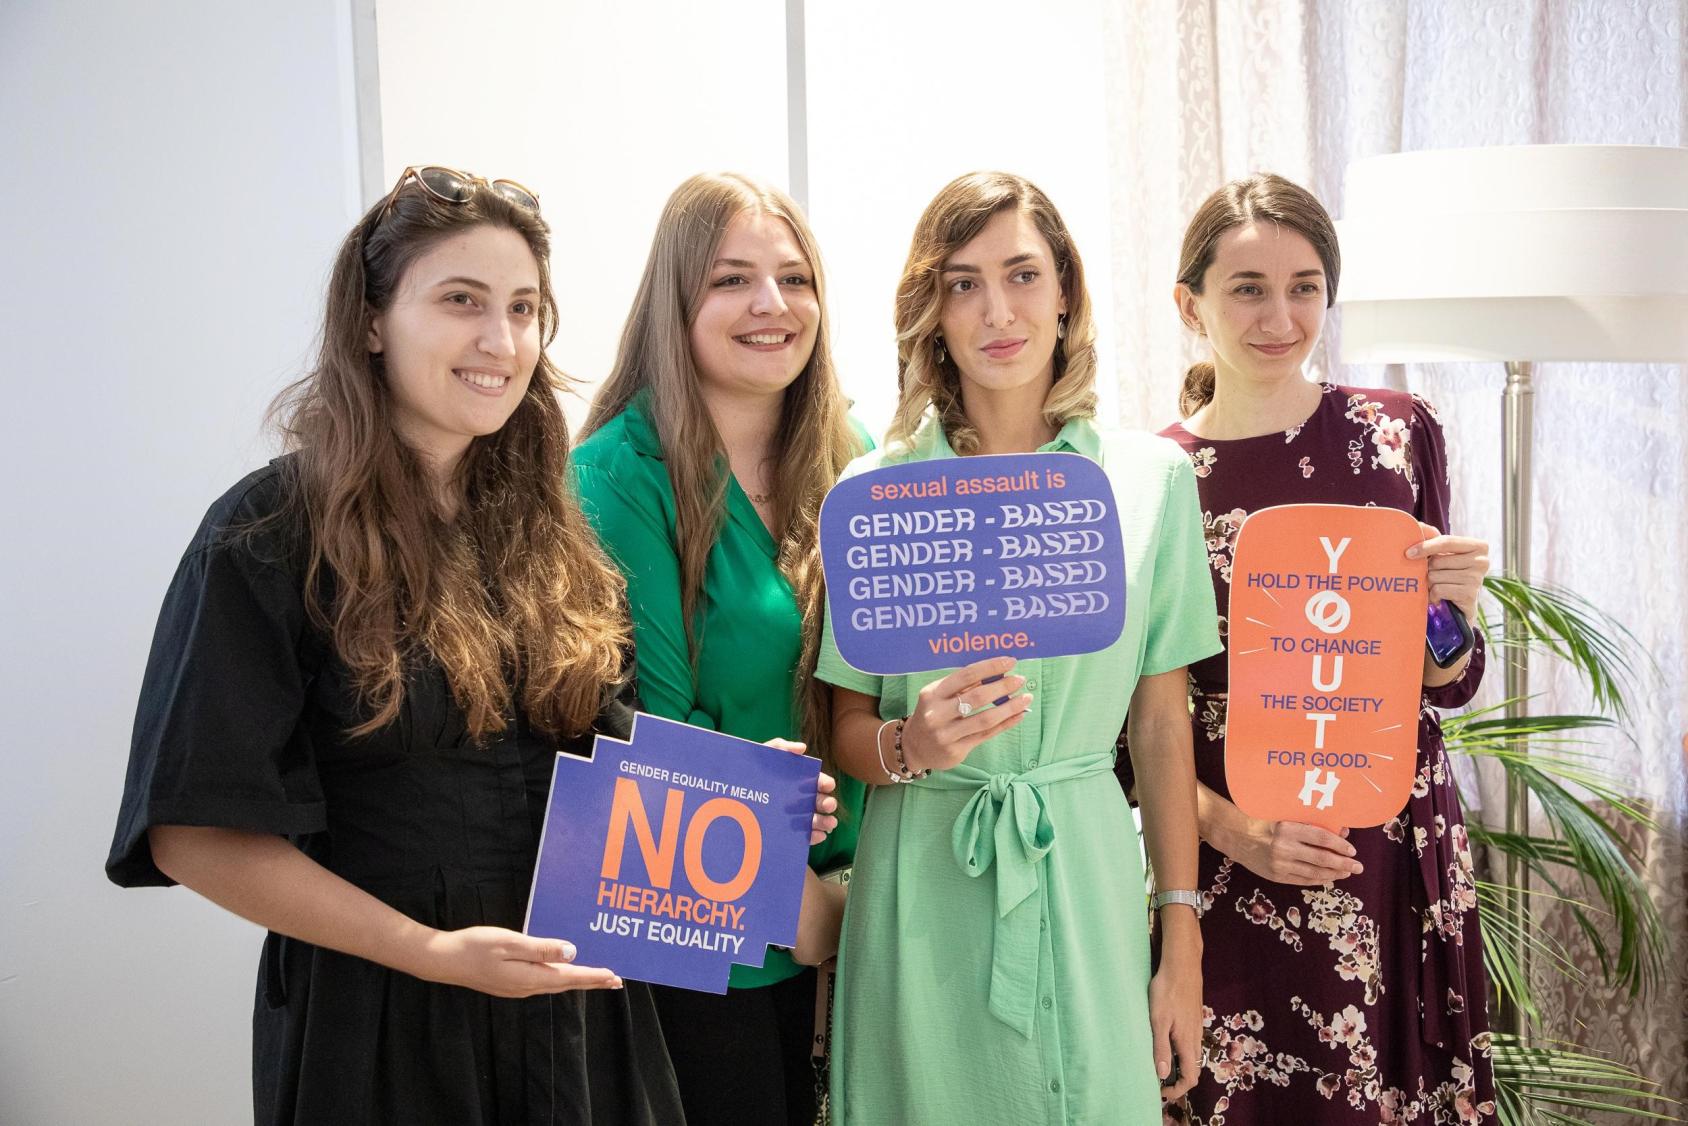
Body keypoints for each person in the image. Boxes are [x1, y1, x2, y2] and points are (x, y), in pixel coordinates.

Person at [105, 166, 832, 1125]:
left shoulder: (552, 532)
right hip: (383, 1025)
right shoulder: (269, 533)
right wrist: (432, 952)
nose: (502, 340)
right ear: (371, 321)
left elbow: (603, 772)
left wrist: (735, 801)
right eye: (462, 301)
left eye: (525, 308)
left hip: (579, 1016)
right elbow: (194, 833)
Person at [813, 171, 1220, 1124]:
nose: (998, 310)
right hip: (922, 877)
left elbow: (1162, 727)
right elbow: (847, 728)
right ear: (934, 313)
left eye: (1023, 274)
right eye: (962, 283)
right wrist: (913, 747)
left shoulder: (1151, 479)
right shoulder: (876, 490)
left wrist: (1182, 938)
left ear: (1067, 289)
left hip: (1083, 870)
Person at [1157, 172, 1496, 1124]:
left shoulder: (1397, 435)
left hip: (1390, 846)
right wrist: (1233, 831)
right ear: (1190, 305)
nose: (1280, 315)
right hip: (1234, 859)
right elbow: (1129, 733)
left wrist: (1445, 613)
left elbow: (1450, 677)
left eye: (1305, 286)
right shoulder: (1153, 480)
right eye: (1248, 288)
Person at [574, 172, 869, 1126]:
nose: (772, 305)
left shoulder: (855, 454)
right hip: (708, 927)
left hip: (862, 918)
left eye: (795, 277)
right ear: (677, 300)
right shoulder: (618, 473)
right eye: (732, 279)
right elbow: (655, 724)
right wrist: (791, 902)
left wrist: (853, 899)